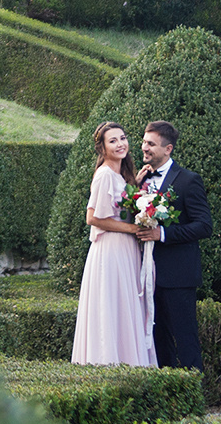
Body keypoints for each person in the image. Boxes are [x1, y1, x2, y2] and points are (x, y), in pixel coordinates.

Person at [70, 121, 157, 367]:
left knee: (124, 307)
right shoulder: (104, 174)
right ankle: (109, 363)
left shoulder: (119, 175)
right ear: (102, 148)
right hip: (110, 250)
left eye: (123, 138)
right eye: (113, 141)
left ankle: (127, 361)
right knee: (112, 305)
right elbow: (92, 218)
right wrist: (133, 229)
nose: (120, 144)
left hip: (125, 250)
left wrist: (137, 189)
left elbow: (119, 206)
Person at [132, 120, 213, 370]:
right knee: (156, 344)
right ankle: (164, 391)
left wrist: (163, 234)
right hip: (146, 275)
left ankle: (194, 391)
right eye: (144, 142)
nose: (144, 147)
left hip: (178, 276)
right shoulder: (141, 179)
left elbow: (204, 226)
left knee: (186, 341)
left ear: (168, 149)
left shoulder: (188, 180)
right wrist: (135, 187)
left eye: (151, 144)